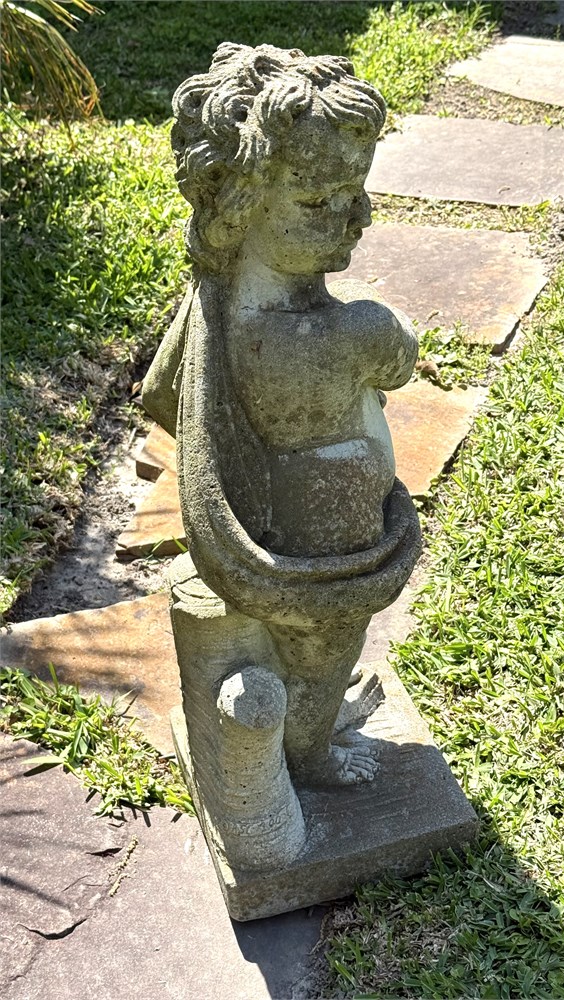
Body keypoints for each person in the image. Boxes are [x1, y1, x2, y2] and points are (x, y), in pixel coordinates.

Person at [143, 43, 421, 785]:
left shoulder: (219, 305)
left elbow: (162, 394)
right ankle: (310, 754)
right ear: (241, 204)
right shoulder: (344, 333)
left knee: (314, 655)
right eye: (316, 202)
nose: (355, 217)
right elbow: (398, 357)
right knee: (324, 654)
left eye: (356, 190)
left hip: (309, 525)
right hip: (318, 551)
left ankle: (309, 717)